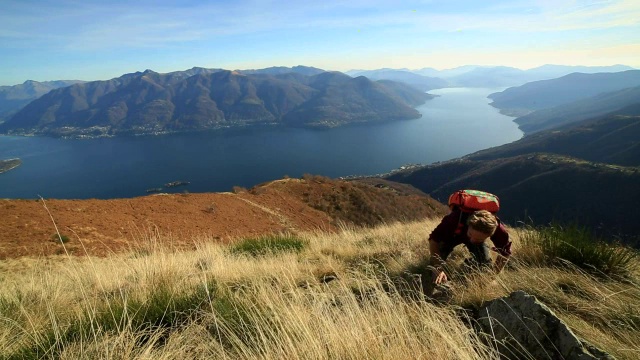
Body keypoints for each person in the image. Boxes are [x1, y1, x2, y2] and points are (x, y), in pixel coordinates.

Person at [427, 209, 512, 291]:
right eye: (470, 234)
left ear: (490, 235)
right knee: (434, 270)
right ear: (468, 224)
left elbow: (505, 252)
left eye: (478, 239)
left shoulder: (498, 230)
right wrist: (438, 268)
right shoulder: (454, 219)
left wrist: (492, 276)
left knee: (485, 267)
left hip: (471, 239)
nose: (472, 240)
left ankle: (468, 271)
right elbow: (434, 240)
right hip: (453, 235)